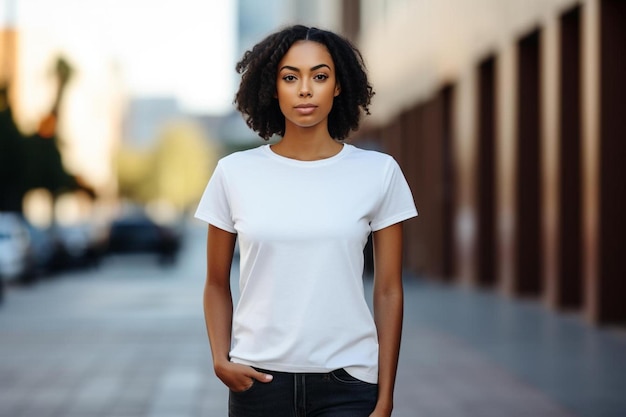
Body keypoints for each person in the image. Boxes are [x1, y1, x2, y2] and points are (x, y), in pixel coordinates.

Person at [195, 25, 418, 417]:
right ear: (272, 87)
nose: (304, 89)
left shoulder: (378, 172)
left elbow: (388, 291)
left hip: (349, 383)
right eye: (290, 77)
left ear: (338, 86)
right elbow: (215, 282)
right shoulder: (234, 173)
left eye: (319, 76)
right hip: (258, 383)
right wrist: (220, 358)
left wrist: (385, 397)